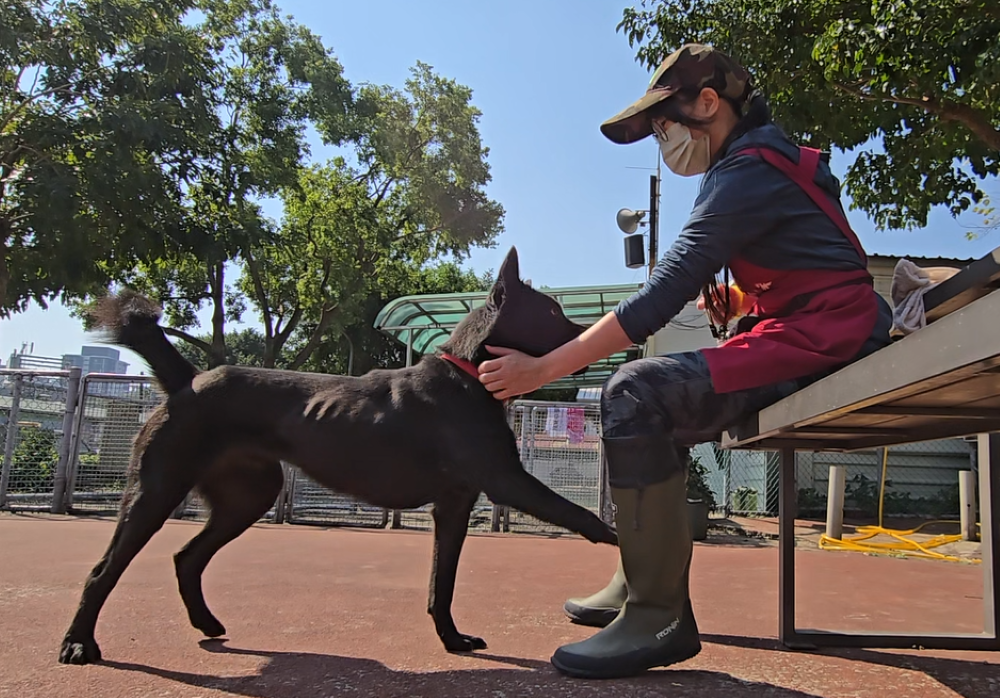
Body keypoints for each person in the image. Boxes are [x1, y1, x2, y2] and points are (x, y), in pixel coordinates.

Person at [477, 43, 893, 680]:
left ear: (709, 103)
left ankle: (658, 614)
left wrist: (544, 370)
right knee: (654, 397)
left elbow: (659, 297)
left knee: (636, 392)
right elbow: (810, 261)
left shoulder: (746, 171)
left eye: (664, 123)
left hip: (832, 336)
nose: (662, 139)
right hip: (812, 322)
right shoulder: (755, 162)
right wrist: (741, 295)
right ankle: (639, 576)